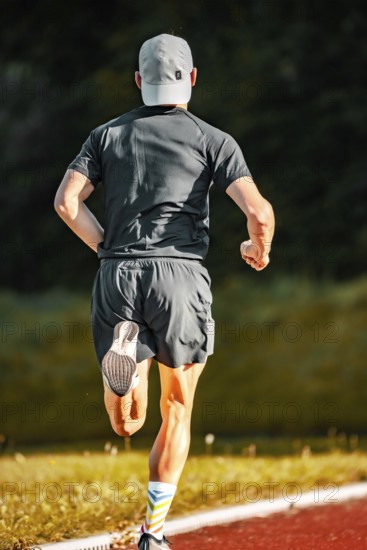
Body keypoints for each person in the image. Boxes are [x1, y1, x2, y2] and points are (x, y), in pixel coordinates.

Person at [54, 33, 274, 550]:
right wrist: (257, 249)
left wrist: (108, 247)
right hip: (180, 278)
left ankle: (122, 364)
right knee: (176, 409)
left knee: (127, 424)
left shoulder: (104, 136)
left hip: (118, 274)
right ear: (192, 79)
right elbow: (259, 212)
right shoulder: (213, 139)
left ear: (137, 81)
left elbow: (66, 202)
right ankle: (153, 535)